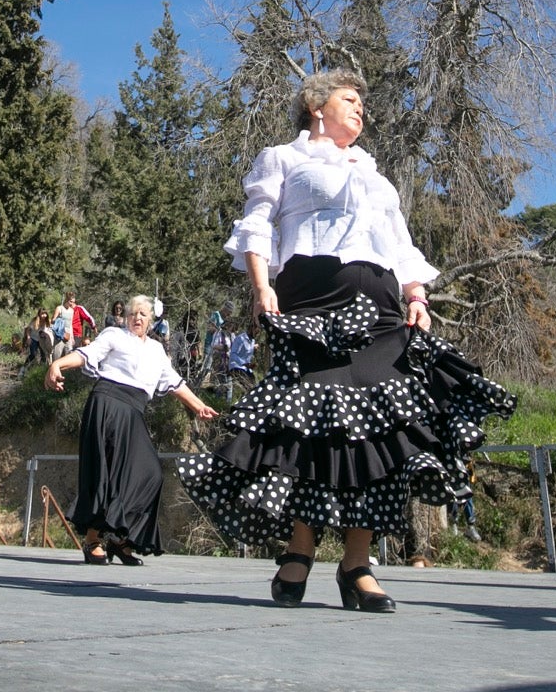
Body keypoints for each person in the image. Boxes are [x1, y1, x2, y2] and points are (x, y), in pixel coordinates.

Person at [178, 71, 515, 613]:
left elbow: (398, 241)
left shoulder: (373, 173)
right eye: (350, 100)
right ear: (317, 106)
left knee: (379, 430)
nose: (361, 111)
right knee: (315, 423)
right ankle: (300, 549)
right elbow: (258, 223)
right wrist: (261, 286)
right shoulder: (282, 158)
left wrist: (417, 296)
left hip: (381, 308)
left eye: (363, 104)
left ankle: (357, 563)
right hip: (308, 301)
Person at [48, 295, 216, 564]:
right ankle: (93, 539)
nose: (138, 318)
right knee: (105, 473)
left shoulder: (157, 350)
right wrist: (58, 364)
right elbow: (87, 355)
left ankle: (119, 538)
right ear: (126, 317)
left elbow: (173, 382)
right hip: (107, 403)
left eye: (143, 314)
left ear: (151, 320)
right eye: (133, 313)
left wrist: (199, 406)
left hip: (134, 411)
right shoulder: (114, 335)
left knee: (150, 474)